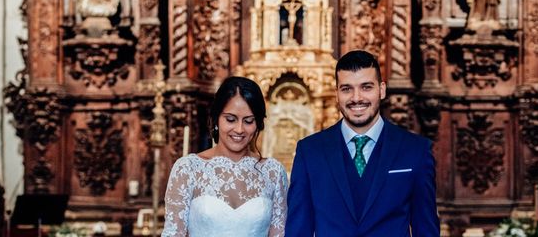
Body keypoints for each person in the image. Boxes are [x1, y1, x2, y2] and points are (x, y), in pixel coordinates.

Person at [285, 50, 439, 236]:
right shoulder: (309, 151)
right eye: (347, 89)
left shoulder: (416, 150)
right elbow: (298, 230)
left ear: (381, 90)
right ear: (337, 93)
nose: (356, 98)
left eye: (366, 87)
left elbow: (426, 229)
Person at [162, 76, 288, 237]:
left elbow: (279, 233)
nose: (239, 129)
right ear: (216, 119)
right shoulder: (188, 169)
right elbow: (174, 233)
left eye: (248, 121)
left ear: (258, 124)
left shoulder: (274, 172)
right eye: (230, 119)